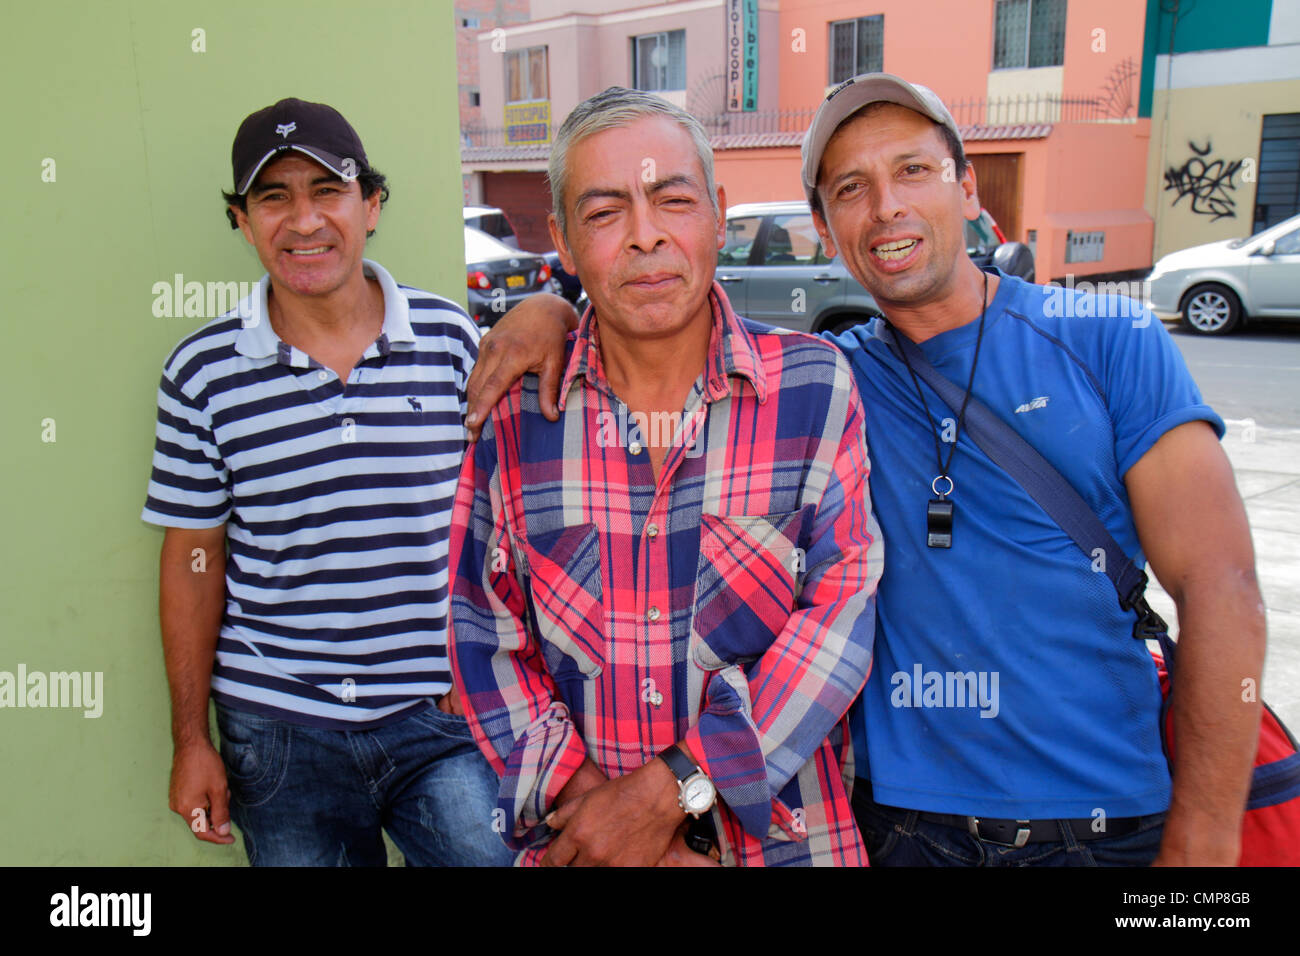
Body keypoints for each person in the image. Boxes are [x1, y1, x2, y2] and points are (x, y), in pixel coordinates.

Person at [464, 74, 1265, 866]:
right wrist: (554, 311)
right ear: (822, 224)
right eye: (851, 188)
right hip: (904, 831)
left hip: (1108, 827)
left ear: (969, 185)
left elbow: (1221, 585)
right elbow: (658, 308)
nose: (886, 207)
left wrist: (1205, 837)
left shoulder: (1108, 339)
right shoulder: (832, 380)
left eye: (913, 170)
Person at [447, 87, 883, 866]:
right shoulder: (516, 423)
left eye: (672, 200)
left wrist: (673, 796)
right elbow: (487, 639)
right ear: (564, 241)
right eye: (605, 211)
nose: (645, 237)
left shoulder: (815, 389)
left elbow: (838, 623)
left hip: (783, 845)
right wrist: (607, 822)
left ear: (718, 212)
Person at [142, 97, 512, 866]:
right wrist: (190, 741)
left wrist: (482, 666)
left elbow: (504, 520)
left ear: (370, 205)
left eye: (327, 191)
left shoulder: (450, 341)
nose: (303, 221)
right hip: (278, 734)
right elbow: (192, 560)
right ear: (242, 221)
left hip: (441, 719)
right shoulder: (202, 373)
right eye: (273, 197)